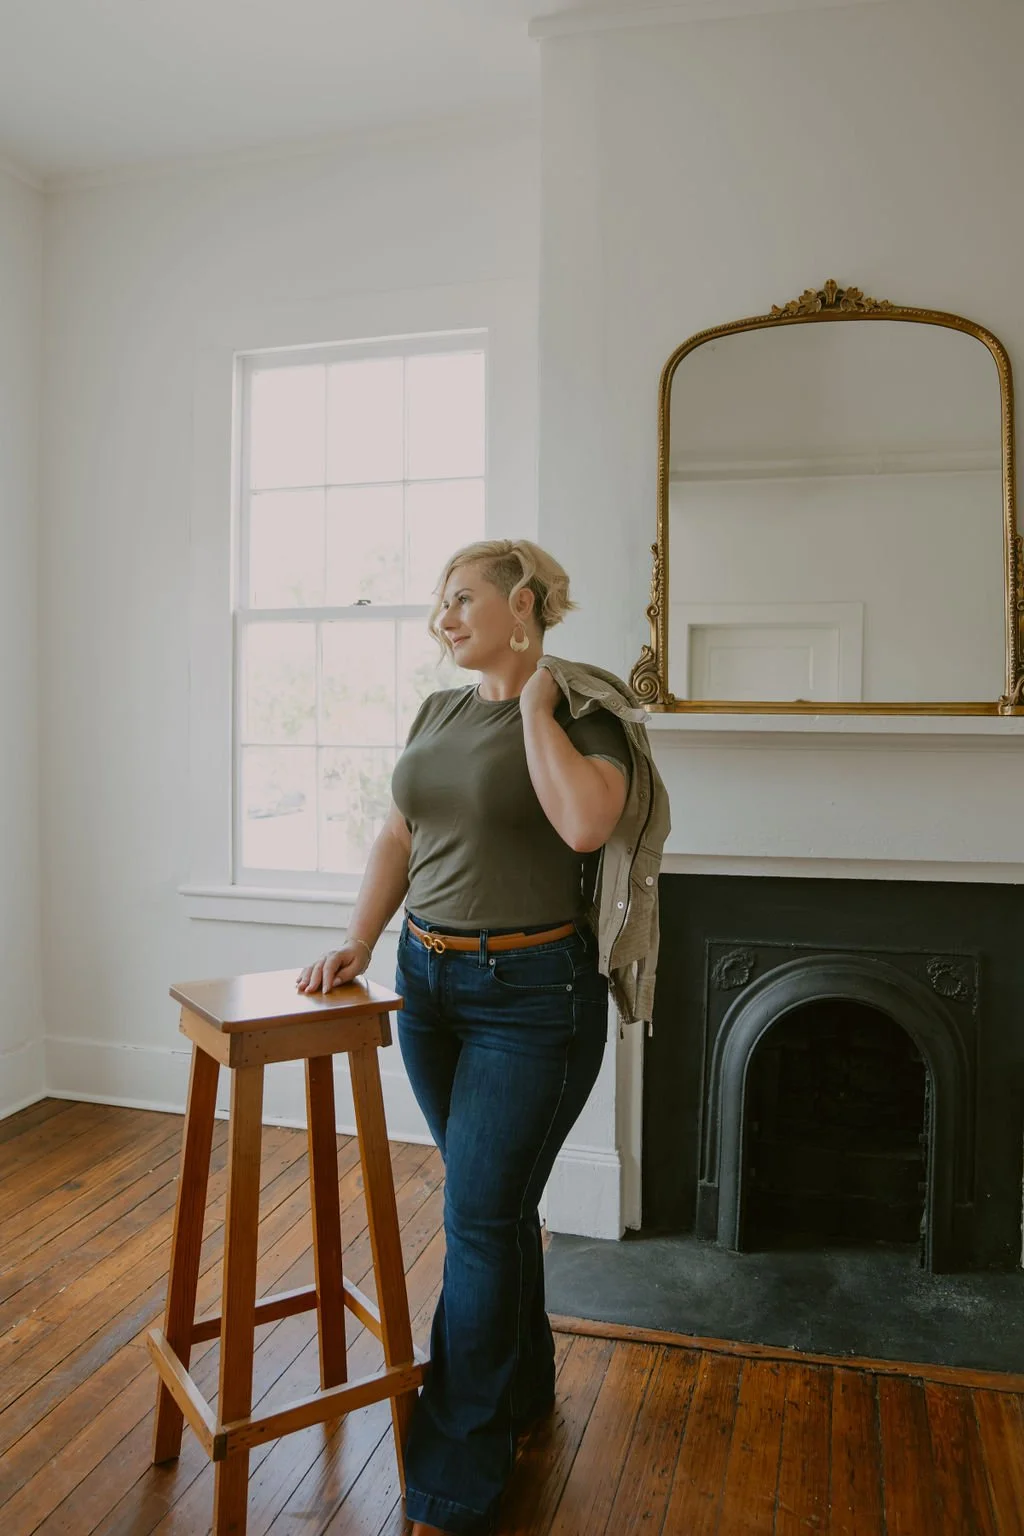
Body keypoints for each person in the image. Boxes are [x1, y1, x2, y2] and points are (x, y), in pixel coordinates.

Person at [297, 539, 639, 1536]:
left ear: (521, 603)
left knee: (477, 1217)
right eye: (437, 604)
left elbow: (585, 826)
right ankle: (521, 1389)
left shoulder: (585, 707)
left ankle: (453, 1473)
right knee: (493, 1206)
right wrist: (359, 940)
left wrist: (533, 704)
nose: (441, 619)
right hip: (428, 983)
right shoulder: (438, 710)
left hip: (531, 995)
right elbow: (400, 833)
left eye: (460, 600)